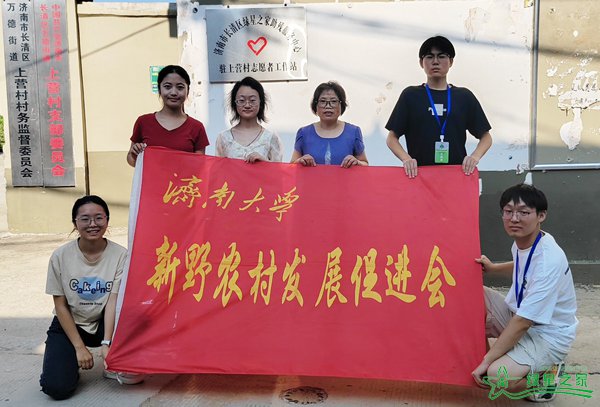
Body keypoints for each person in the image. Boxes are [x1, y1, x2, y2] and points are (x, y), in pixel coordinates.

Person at [472, 184, 577, 402]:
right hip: (520, 315)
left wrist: (487, 360)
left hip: (548, 335)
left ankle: (547, 374)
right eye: (508, 211)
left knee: (497, 375)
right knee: (472, 296)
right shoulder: (529, 241)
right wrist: (493, 268)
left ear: (541, 216)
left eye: (523, 212)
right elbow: (523, 265)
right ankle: (505, 357)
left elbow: (524, 321)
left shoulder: (549, 260)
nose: (514, 218)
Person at [40, 196, 143, 400]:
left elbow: (113, 300)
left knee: (140, 315)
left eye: (99, 218)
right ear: (75, 223)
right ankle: (68, 363)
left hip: (105, 321)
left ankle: (113, 363)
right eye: (85, 219)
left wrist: (106, 343)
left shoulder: (121, 255)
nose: (93, 224)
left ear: (107, 220)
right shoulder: (60, 256)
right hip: (71, 323)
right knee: (57, 388)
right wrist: (79, 348)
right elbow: (60, 306)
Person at [385, 35, 492, 178]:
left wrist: (474, 157)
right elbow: (392, 138)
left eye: (441, 56)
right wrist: (406, 159)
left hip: (456, 176)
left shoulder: (464, 96)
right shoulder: (410, 95)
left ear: (451, 61)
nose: (435, 62)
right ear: (421, 62)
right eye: (429, 57)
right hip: (419, 176)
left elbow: (486, 137)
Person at [127, 65, 209, 166]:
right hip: (151, 177)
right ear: (159, 89)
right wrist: (134, 154)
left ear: (188, 90)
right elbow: (131, 160)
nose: (173, 92)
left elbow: (200, 165)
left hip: (183, 177)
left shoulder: (197, 127)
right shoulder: (143, 122)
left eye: (180, 87)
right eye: (167, 87)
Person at [291, 81, 368, 168]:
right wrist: (300, 161)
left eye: (333, 101)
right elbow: (292, 165)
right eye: (323, 101)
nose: (328, 106)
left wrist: (357, 162)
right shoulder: (304, 133)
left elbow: (365, 164)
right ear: (315, 105)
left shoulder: (353, 132)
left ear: (341, 105)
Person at [215, 76, 283, 163]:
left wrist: (265, 162)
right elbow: (218, 169)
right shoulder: (223, 138)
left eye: (252, 100)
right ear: (234, 103)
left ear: (260, 102)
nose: (247, 105)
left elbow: (278, 169)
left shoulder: (271, 138)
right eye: (242, 100)